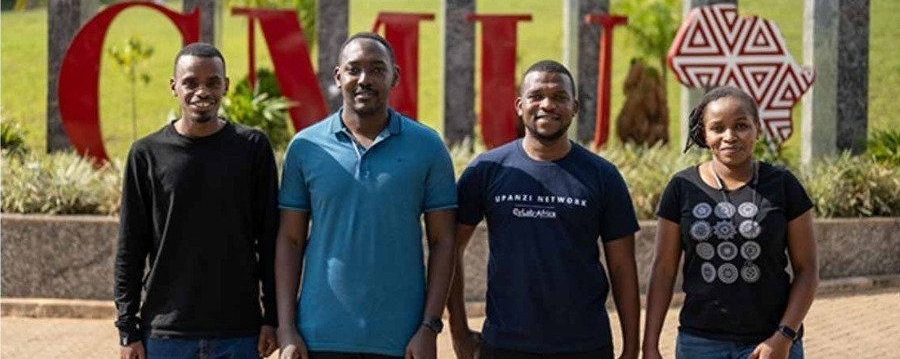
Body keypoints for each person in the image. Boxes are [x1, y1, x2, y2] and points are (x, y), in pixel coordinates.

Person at [275, 32, 457, 359]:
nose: (364, 79)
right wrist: (286, 329)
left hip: (402, 342)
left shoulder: (428, 147)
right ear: (338, 76)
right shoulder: (306, 148)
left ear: (394, 76)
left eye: (376, 69)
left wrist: (429, 327)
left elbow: (444, 241)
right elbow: (290, 239)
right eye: (354, 69)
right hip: (319, 337)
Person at [447, 60, 641, 359]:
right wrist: (458, 329)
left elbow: (623, 268)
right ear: (519, 104)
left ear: (574, 107)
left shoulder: (603, 176)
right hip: (505, 345)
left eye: (559, 97)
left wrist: (631, 347)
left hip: (585, 347)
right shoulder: (486, 170)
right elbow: (449, 249)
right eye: (536, 96)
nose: (547, 105)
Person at [114, 42, 279, 359]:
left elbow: (269, 240)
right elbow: (130, 248)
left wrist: (271, 318)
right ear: (174, 87)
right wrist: (127, 329)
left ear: (226, 86)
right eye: (190, 82)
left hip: (240, 333)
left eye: (212, 82)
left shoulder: (252, 149)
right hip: (165, 335)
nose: (201, 91)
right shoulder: (146, 154)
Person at [642, 86, 819, 359]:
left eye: (741, 126)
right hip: (700, 344)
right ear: (704, 133)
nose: (729, 136)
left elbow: (807, 269)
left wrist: (784, 337)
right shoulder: (681, 188)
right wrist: (650, 345)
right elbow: (663, 270)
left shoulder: (784, 185)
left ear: (757, 130)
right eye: (717, 128)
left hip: (770, 344)